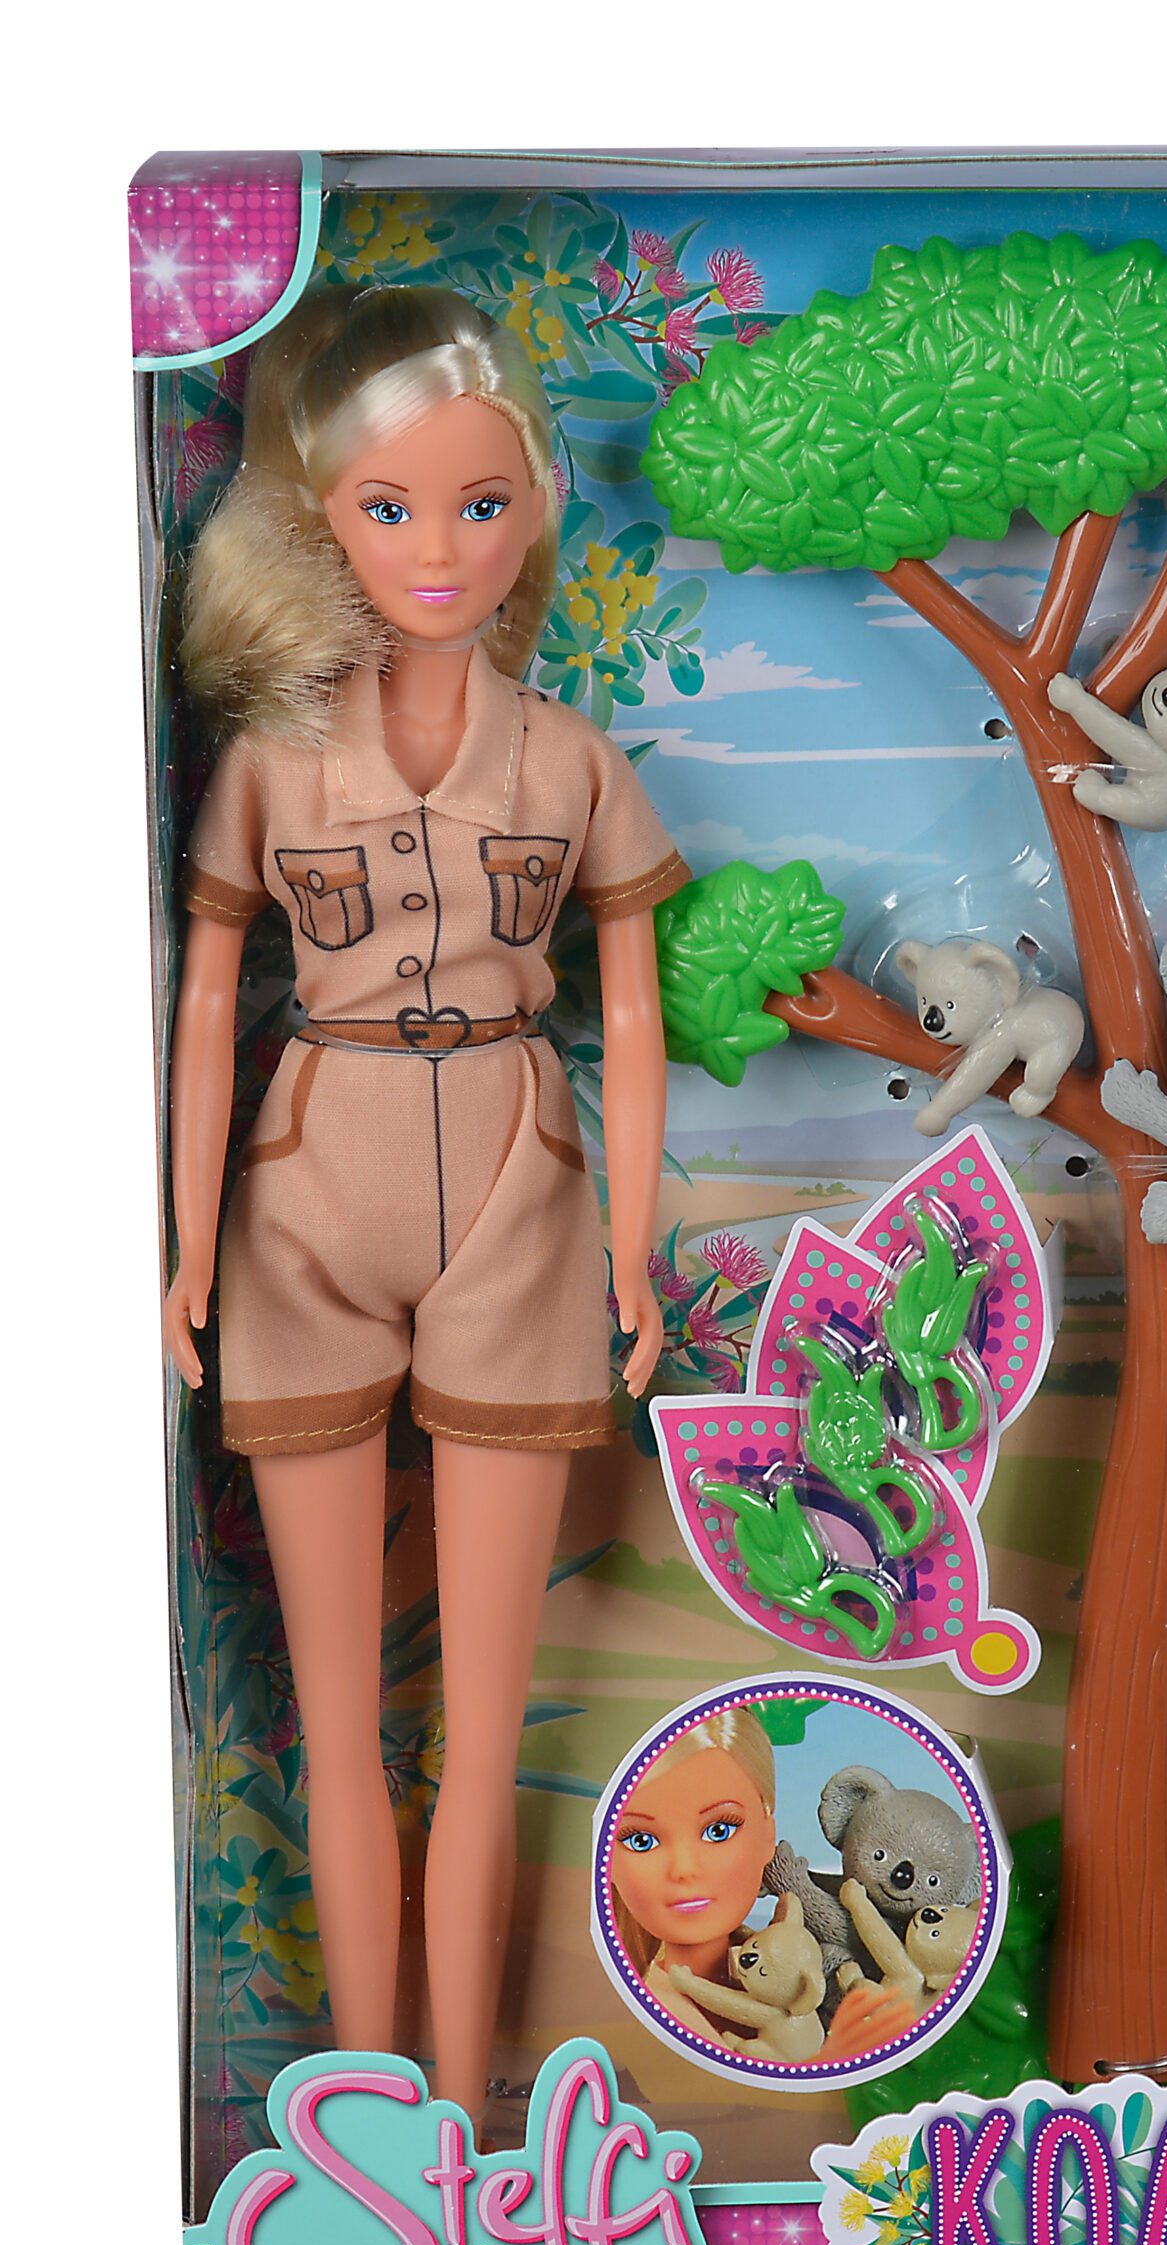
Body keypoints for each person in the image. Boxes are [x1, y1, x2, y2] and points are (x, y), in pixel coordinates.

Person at [163, 284, 684, 2125]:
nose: (439, 547)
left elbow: (634, 1011)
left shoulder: (570, 760)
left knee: (480, 1724)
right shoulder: (274, 758)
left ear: (535, 505)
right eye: (387, 507)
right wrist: (182, 1248)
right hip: (307, 1199)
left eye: (478, 501)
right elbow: (207, 1002)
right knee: (333, 1712)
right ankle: (360, 2132)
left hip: (522, 1205)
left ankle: (463, 2118)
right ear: (320, 523)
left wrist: (631, 1249)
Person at [609, 1712, 914, 2062]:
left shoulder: (779, 1962)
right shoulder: (651, 2014)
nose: (684, 1870)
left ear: (768, 1833)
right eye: (641, 1840)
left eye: (719, 1831)